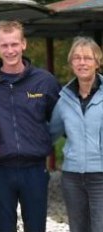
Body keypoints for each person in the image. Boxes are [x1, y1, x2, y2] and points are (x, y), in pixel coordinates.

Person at [0, 20, 61, 232]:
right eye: (4, 45)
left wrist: (43, 141)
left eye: (14, 44)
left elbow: (59, 119)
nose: (10, 50)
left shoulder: (45, 81)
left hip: (34, 169)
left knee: (36, 228)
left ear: (24, 44)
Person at [50, 36, 103, 232]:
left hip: (101, 176)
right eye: (77, 58)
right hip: (72, 177)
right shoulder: (64, 98)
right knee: (78, 229)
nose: (82, 62)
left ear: (97, 62)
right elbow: (50, 134)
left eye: (88, 58)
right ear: (71, 63)